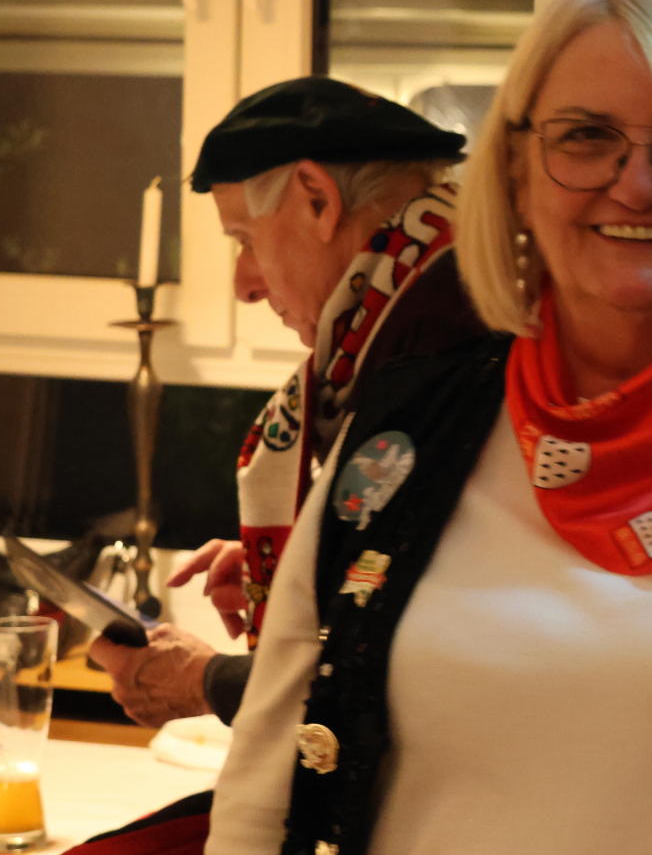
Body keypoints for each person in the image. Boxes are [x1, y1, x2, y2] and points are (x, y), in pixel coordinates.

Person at [200, 0, 652, 855]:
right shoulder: (404, 430)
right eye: (586, 137)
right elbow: (260, 805)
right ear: (515, 171)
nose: (637, 184)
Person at [88, 78, 479, 730]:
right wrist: (308, 563)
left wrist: (208, 680)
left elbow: (394, 672)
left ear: (317, 199)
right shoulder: (424, 308)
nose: (243, 286)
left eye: (245, 239)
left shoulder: (435, 351)